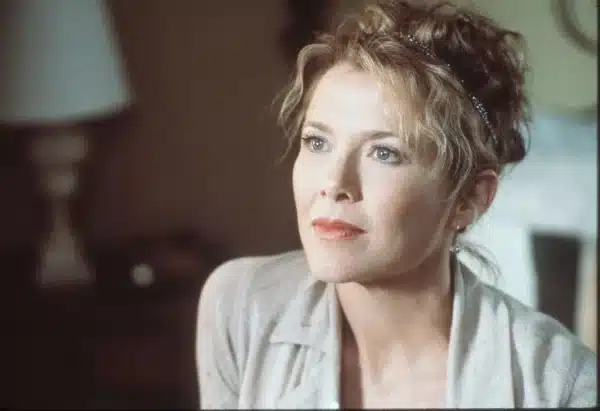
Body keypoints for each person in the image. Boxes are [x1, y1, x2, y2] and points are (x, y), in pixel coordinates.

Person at [195, 0, 597, 408]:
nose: (334, 184)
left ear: (470, 198)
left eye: (384, 153)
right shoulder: (241, 305)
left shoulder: (560, 383)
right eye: (317, 142)